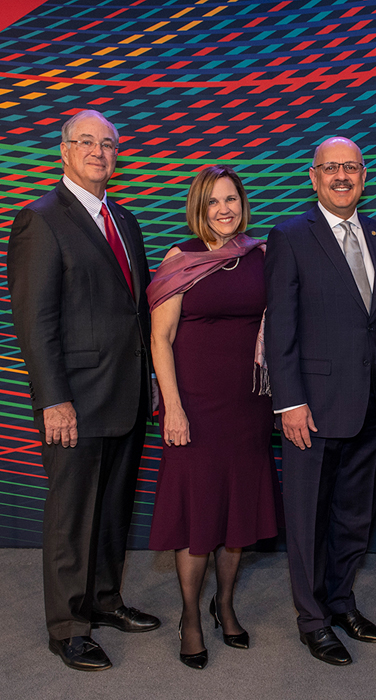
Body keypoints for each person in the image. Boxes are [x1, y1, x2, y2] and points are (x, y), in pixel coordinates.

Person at [8, 110, 159, 671]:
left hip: (126, 396)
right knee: (72, 514)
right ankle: (68, 626)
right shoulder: (40, 220)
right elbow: (35, 319)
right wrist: (53, 398)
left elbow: (133, 311)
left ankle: (104, 599)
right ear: (65, 151)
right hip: (73, 400)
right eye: (87, 142)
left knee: (113, 508)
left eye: (109, 144)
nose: (99, 151)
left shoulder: (124, 218)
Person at [264, 137, 376, 666]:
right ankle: (313, 619)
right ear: (313, 176)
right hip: (312, 406)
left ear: (364, 176)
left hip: (373, 404)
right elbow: (281, 327)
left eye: (351, 167)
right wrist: (289, 401)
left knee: (354, 514)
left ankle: (341, 601)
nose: (341, 176)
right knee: (307, 517)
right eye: (331, 168)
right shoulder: (291, 236)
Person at [147, 165, 278, 669]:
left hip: (248, 406)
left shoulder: (260, 256)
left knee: (237, 513)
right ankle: (191, 616)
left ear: (243, 204)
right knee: (198, 516)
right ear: (198, 208)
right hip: (195, 408)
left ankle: (224, 605)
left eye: (232, 200)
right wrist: (173, 407)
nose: (224, 210)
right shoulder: (181, 260)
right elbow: (160, 338)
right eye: (213, 202)